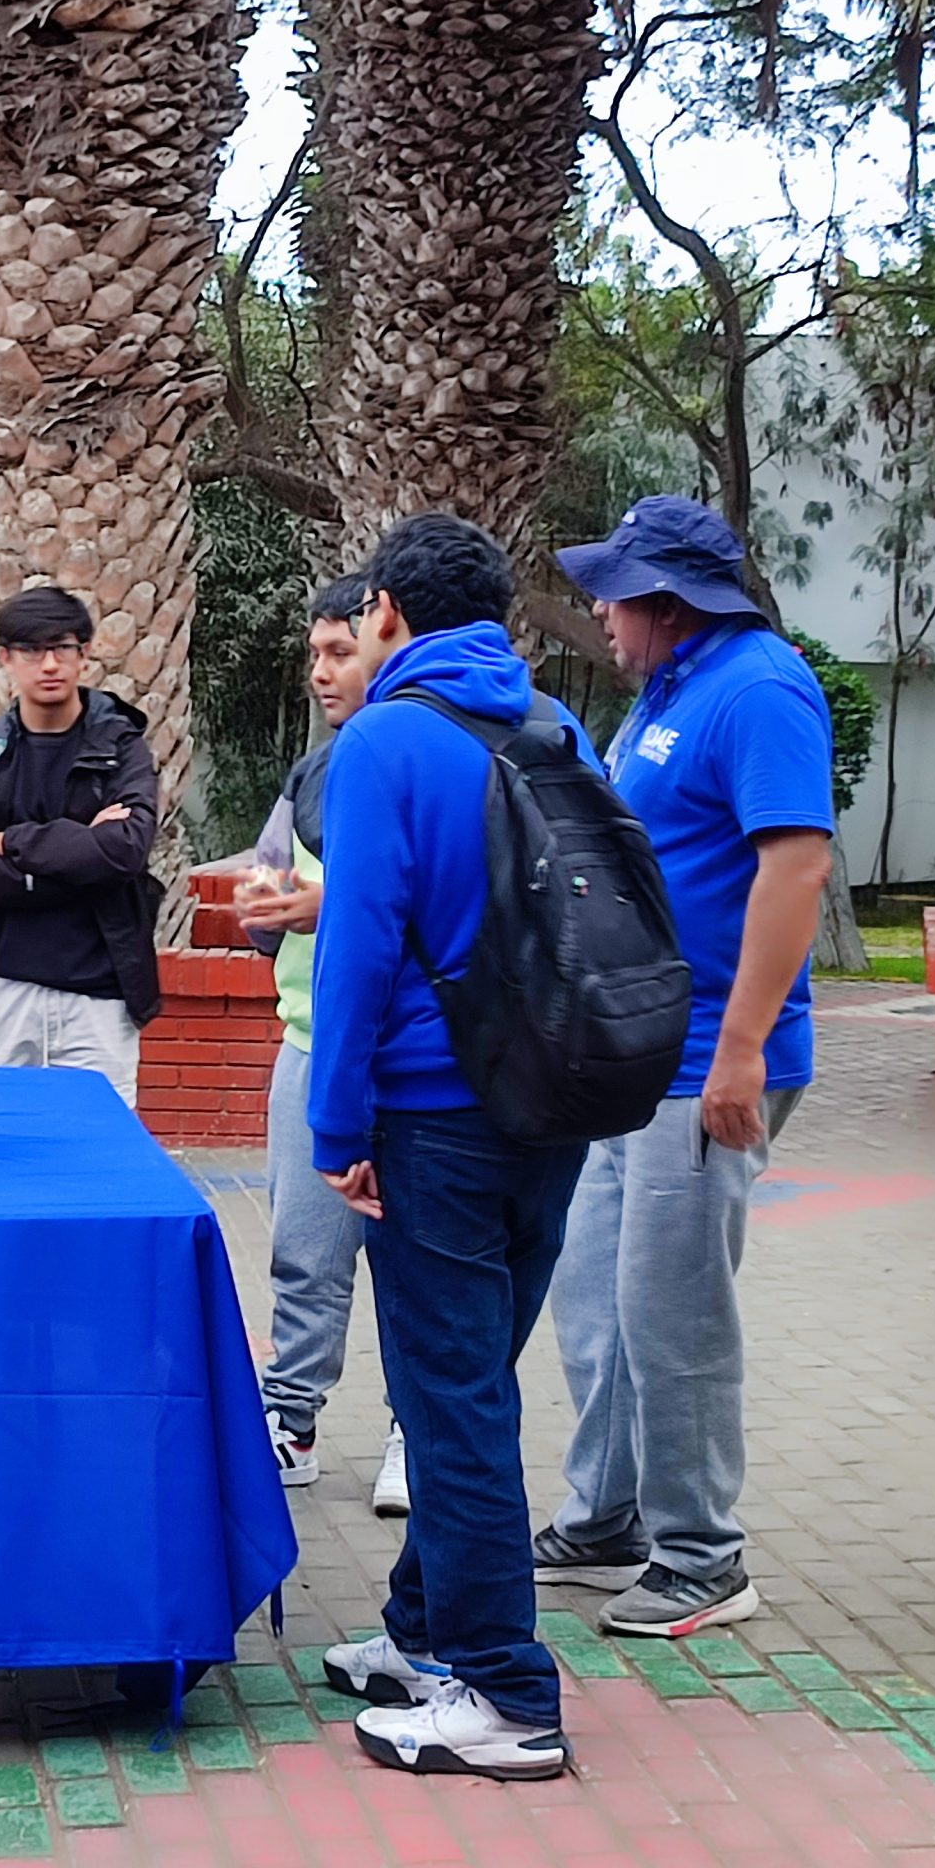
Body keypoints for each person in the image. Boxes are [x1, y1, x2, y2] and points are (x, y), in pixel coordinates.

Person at [310, 515, 600, 1782]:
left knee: (454, 1398)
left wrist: (336, 1124)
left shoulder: (384, 737)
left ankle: (502, 1691)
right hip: (559, 1097)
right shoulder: (557, 728)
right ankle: (422, 1630)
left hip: (435, 1113)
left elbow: (359, 945)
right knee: (469, 1380)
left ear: (384, 613)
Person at [535, 496, 835, 1636]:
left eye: (615, 592)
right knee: (602, 1294)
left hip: (711, 1064)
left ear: (669, 601)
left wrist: (744, 1051)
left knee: (674, 1311)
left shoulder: (758, 690)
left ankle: (704, 1553)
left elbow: (795, 869)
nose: (600, 610)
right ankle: (607, 1513)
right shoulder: (671, 689)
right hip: (640, 1056)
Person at [235, 576, 407, 1515]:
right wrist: (263, 905)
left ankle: (411, 1436)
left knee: (417, 1263)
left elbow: (455, 908)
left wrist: (326, 905)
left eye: (338, 652)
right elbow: (268, 897)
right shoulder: (310, 777)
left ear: (390, 636)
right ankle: (288, 1422)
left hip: (415, 1064)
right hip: (308, 1048)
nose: (319, 674)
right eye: (313, 657)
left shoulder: (437, 759)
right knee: (306, 1253)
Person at [0, 586, 160, 1107]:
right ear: (6, 659)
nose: (49, 664)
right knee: (0, 1142)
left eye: (62, 647)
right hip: (2, 984)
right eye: (32, 650)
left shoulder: (121, 747)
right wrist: (81, 850)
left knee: (100, 1150)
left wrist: (12, 841)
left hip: (101, 993)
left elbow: (126, 849)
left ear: (85, 654)